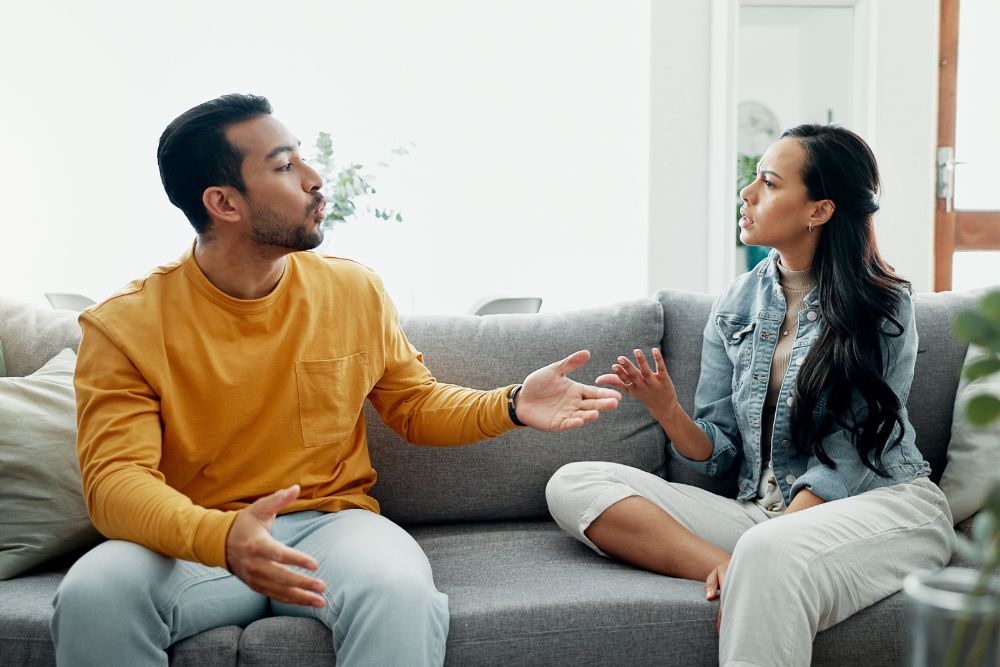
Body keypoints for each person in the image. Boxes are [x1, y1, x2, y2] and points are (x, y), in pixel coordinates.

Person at [51, 93, 622, 667]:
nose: (315, 178)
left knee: (398, 592)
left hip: (332, 529)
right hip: (194, 541)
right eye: (283, 166)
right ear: (223, 202)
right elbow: (115, 483)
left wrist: (513, 403)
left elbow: (414, 405)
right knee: (93, 595)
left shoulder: (353, 290)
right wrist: (218, 537)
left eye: (301, 159)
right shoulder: (124, 324)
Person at [545, 125, 954, 665]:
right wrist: (668, 412)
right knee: (574, 483)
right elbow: (720, 454)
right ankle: (729, 564)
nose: (747, 193)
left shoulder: (882, 304)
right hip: (760, 515)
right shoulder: (737, 302)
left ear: (820, 210)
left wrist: (775, 539)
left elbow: (857, 447)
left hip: (880, 506)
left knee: (769, 548)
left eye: (768, 182)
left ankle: (755, 561)